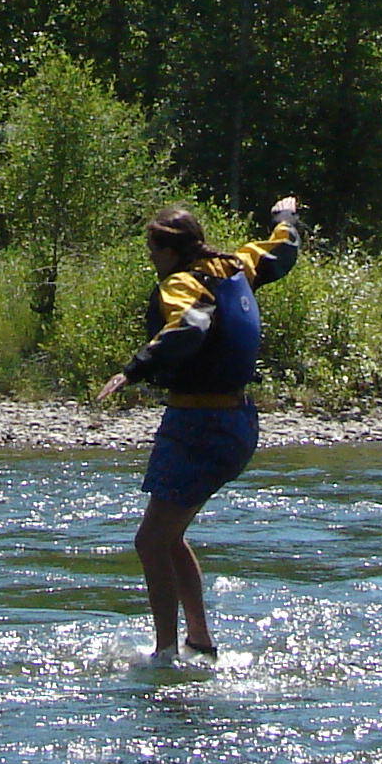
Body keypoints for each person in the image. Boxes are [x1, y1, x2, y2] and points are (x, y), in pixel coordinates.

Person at [92, 196, 302, 658]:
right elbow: (284, 249)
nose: (150, 258)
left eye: (152, 249)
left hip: (199, 423)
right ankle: (200, 642)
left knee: (149, 542)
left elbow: (190, 327)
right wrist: (284, 216)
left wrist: (134, 369)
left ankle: (164, 654)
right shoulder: (237, 265)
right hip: (239, 423)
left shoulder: (182, 284)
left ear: (169, 251)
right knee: (169, 535)